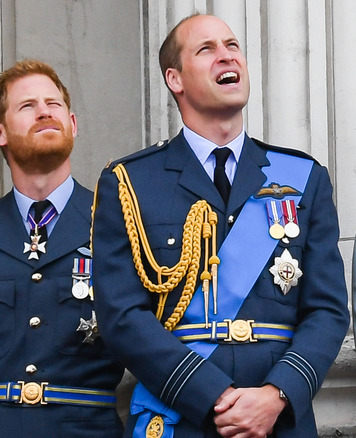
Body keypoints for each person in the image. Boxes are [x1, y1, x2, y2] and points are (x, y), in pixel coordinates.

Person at [91, 13, 350, 437]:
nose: (226, 56)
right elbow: (121, 315)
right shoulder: (130, 183)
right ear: (175, 79)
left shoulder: (303, 177)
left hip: (277, 421)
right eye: (206, 49)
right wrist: (211, 394)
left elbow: (327, 309)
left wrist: (276, 394)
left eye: (232, 46)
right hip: (183, 417)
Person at [0, 59, 124, 437]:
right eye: (27, 106)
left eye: (54, 104)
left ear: (73, 124)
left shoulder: (121, 227)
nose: (44, 111)